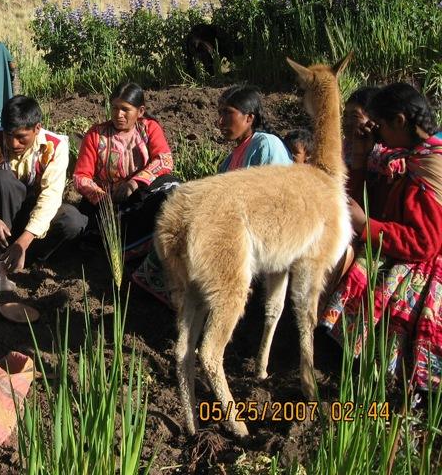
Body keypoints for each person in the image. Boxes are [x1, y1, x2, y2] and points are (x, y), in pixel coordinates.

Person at [321, 83, 442, 390]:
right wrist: (361, 159)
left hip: (424, 255)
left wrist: (366, 227)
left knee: (379, 276)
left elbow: (425, 242)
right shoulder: (407, 158)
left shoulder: (428, 166)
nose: (379, 136)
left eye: (382, 126)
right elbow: (368, 205)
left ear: (400, 122)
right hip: (400, 242)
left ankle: (382, 374)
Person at [132, 85, 291, 305]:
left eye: (228, 113)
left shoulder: (266, 145)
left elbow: (278, 200)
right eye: (220, 113)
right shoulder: (231, 159)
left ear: (249, 118)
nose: (220, 121)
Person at [0, 95, 87, 273]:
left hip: (36, 218)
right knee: (2, 179)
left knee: (73, 221)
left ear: (37, 128)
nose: (13, 143)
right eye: (8, 135)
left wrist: (23, 241)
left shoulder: (55, 147)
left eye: (21, 137)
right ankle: (3, 252)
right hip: (1, 221)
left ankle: (31, 257)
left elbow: (50, 198)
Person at [73, 82, 178, 258]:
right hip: (106, 204)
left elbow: (164, 160)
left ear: (141, 111)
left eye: (125, 109)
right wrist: (103, 200)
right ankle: (126, 239)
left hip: (141, 197)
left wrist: (134, 182)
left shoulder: (149, 128)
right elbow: (81, 176)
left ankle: (133, 236)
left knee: (172, 185)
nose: (118, 114)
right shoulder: (96, 134)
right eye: (114, 108)